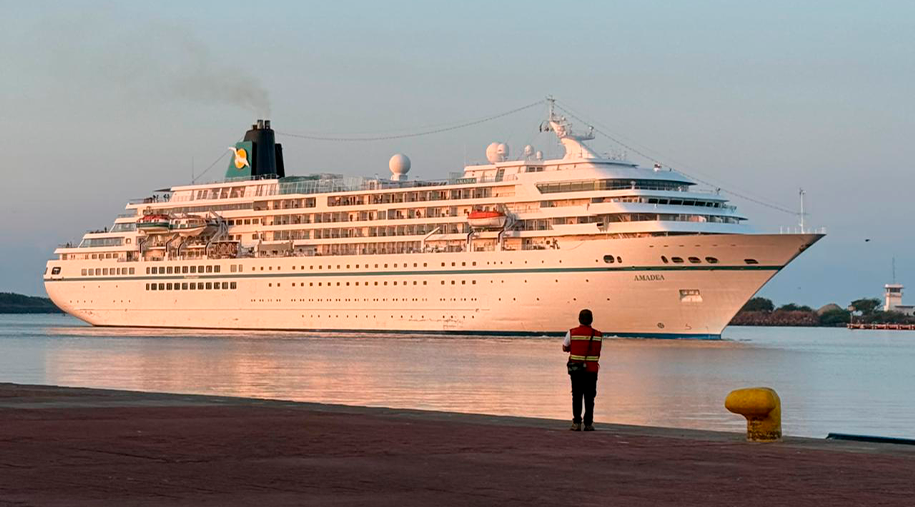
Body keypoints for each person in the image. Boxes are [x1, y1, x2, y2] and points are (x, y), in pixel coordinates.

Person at [562, 309, 603, 431]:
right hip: (592, 371)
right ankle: (589, 424)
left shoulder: (572, 332)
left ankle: (577, 423)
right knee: (590, 397)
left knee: (577, 395)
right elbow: (597, 349)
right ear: (592, 320)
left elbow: (565, 347)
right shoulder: (598, 335)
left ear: (579, 319)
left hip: (576, 371)